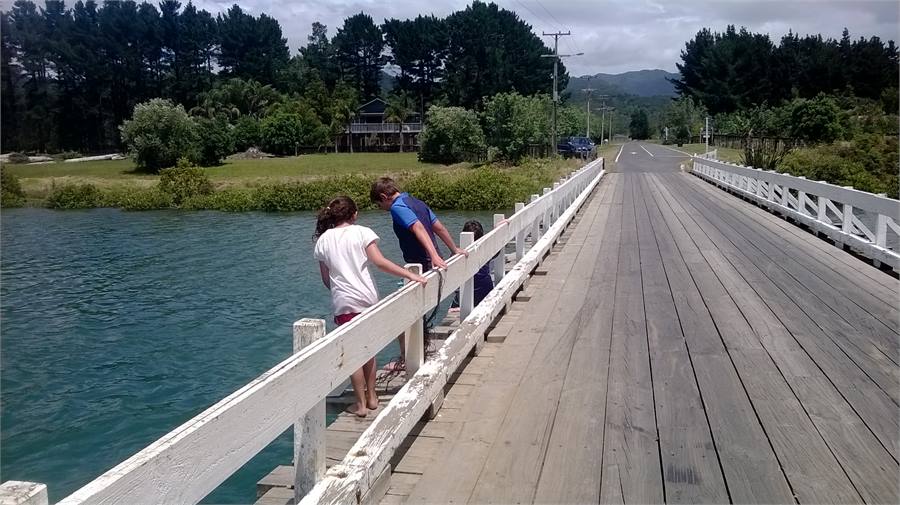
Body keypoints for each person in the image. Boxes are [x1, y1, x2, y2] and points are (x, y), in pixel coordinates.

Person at [314, 196, 426, 417]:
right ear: (354, 214)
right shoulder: (363, 232)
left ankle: (361, 404)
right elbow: (380, 262)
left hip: (343, 302)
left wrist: (339, 291)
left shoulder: (323, 240)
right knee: (369, 350)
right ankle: (373, 397)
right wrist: (409, 275)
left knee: (353, 353)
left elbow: (326, 279)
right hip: (367, 298)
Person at [370, 177, 468, 367]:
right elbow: (438, 226)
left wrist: (433, 256)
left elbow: (418, 227)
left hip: (420, 265)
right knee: (415, 314)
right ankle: (416, 353)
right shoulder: (417, 202)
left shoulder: (397, 207)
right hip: (427, 264)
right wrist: (453, 248)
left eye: (378, 204)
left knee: (401, 314)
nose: (381, 209)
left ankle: (409, 359)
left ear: (383, 197)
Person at [450, 220, 494, 310]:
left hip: (463, 298)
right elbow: (497, 245)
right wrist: (496, 228)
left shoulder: (456, 256)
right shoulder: (487, 250)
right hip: (486, 292)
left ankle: (459, 307)